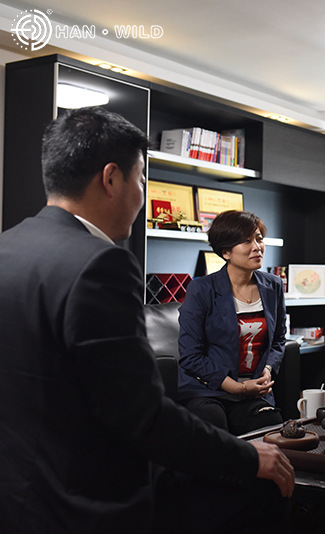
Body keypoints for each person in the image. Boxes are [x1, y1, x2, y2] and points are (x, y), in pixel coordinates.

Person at [0, 107, 293, 533]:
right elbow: (142, 416)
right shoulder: (100, 264)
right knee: (266, 489)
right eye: (141, 181)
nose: (141, 195)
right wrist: (249, 457)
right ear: (111, 179)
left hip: (18, 495)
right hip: (90, 503)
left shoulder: (8, 247)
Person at [178, 210, 285, 434]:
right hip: (208, 390)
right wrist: (236, 387)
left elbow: (278, 340)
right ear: (226, 252)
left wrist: (267, 369)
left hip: (253, 392)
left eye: (259, 239)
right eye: (246, 241)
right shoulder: (201, 289)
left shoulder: (273, 285)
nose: (257, 247)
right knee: (213, 423)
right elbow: (190, 356)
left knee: (271, 422)